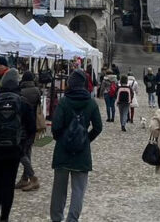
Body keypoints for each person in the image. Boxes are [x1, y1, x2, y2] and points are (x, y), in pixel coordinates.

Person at [0, 69, 36, 222]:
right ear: (17, 83)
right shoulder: (23, 103)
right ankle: (5, 217)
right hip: (14, 150)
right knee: (9, 183)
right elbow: (32, 128)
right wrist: (23, 144)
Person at [50, 69, 103, 222]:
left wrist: (61, 139)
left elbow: (56, 126)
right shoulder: (91, 103)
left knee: (58, 190)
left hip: (62, 151)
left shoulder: (64, 101)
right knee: (78, 190)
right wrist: (86, 139)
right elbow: (98, 127)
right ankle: (72, 219)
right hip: (82, 153)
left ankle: (56, 218)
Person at [16, 71, 41, 192]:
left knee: (20, 152)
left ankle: (32, 177)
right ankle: (25, 178)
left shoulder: (21, 92)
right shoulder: (37, 90)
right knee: (28, 151)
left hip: (22, 125)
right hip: (33, 124)